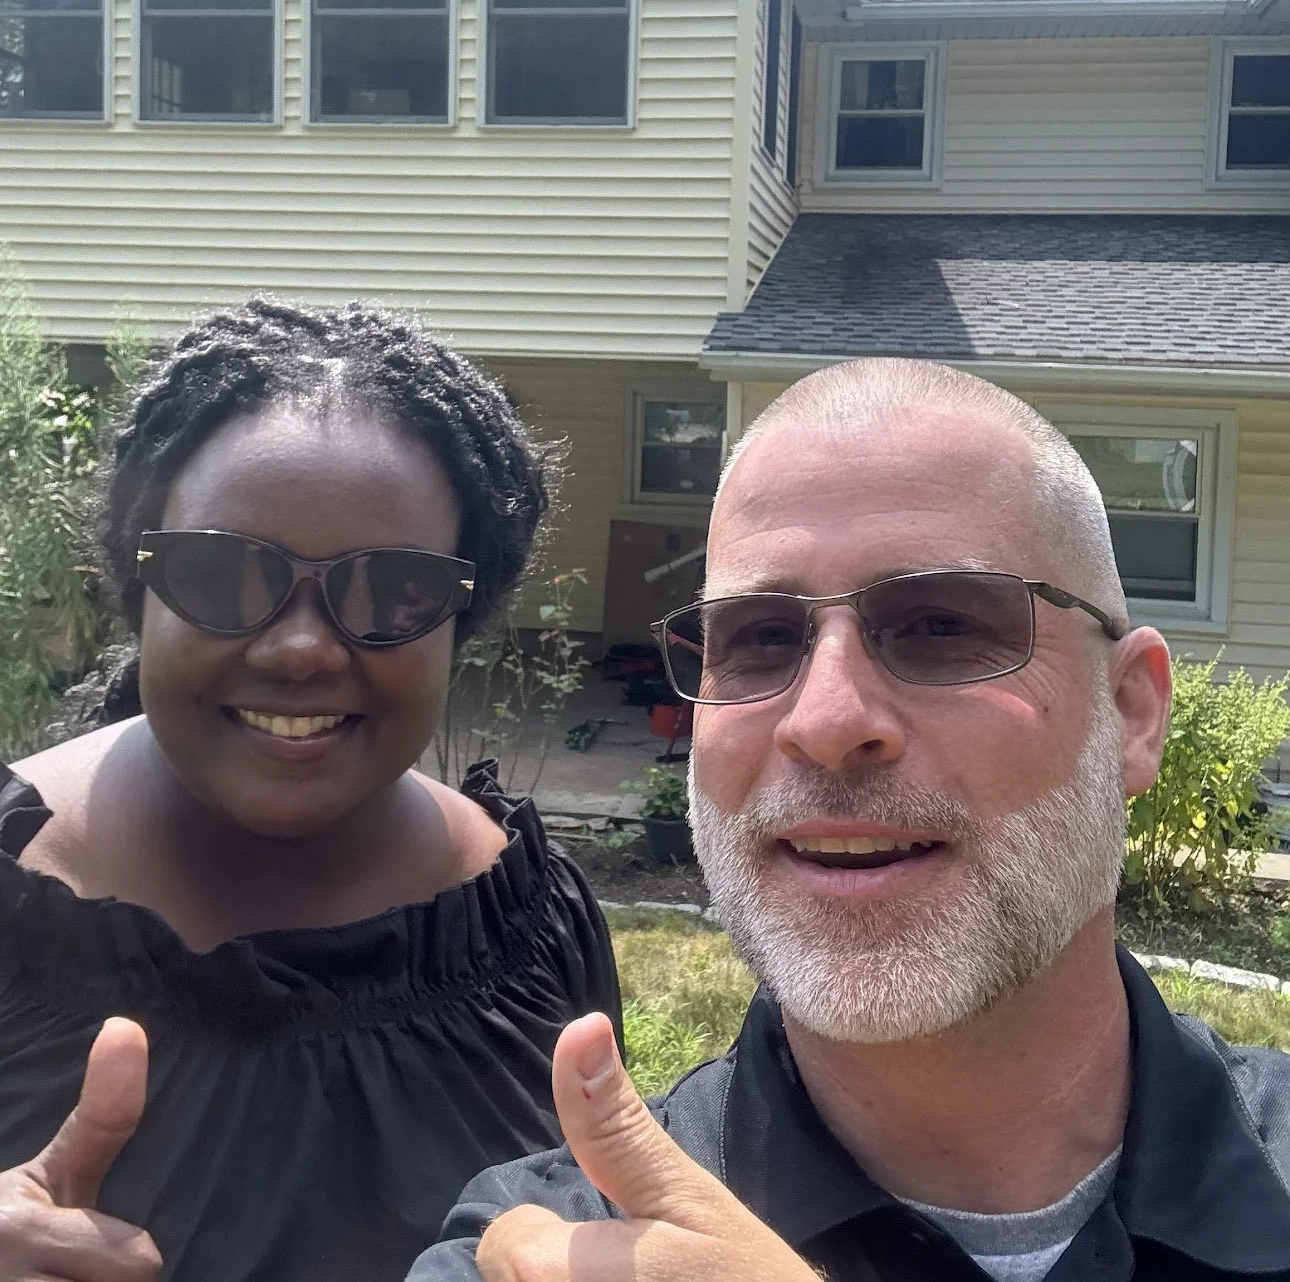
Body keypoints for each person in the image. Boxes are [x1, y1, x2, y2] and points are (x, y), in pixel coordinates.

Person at [412, 358, 1290, 1282]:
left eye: (941, 625)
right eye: (760, 640)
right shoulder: (553, 1252)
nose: (825, 722)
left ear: (1131, 715)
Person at [0, 297, 620, 1282]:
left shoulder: (533, 928)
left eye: (395, 589)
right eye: (218, 570)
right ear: (139, 580)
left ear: (461, 619)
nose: (298, 646)